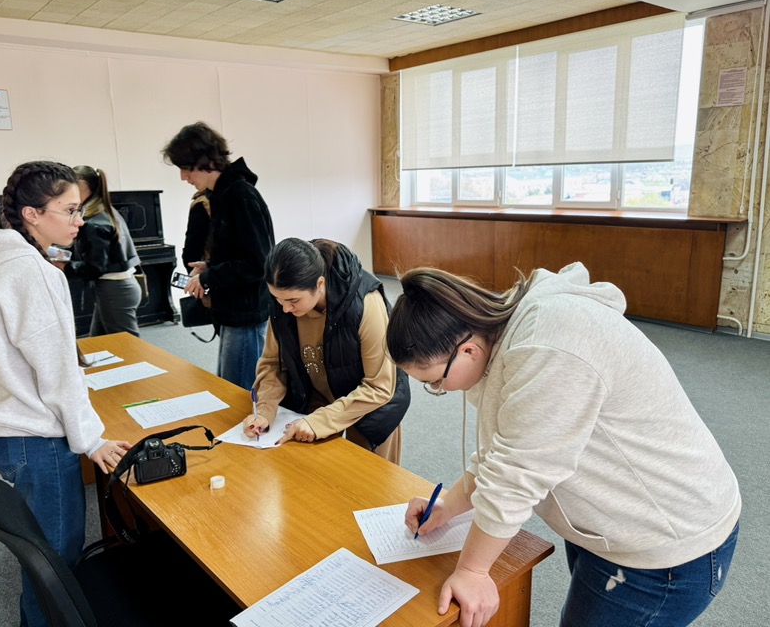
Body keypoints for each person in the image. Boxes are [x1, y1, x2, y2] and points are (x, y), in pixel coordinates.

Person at [385, 262, 741, 627]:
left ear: (469, 351)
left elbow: (518, 474)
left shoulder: (547, 348)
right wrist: (448, 506)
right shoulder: (503, 342)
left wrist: (473, 571)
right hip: (609, 525)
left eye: (435, 381)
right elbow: (505, 451)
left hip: (665, 544)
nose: (440, 390)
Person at [0, 161, 132, 627]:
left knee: (42, 558)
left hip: (6, 432)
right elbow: (58, 375)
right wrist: (92, 440)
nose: (80, 220)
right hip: (37, 439)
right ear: (33, 214)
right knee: (55, 566)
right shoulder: (32, 272)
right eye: (70, 210)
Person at [242, 238, 410, 463]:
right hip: (316, 397)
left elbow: (379, 387)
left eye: (293, 300)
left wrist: (319, 421)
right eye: (277, 299)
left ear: (320, 284)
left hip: (370, 405)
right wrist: (264, 411)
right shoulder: (284, 304)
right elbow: (274, 364)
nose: (285, 308)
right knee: (311, 475)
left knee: (368, 478)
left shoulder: (365, 303)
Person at [163, 122, 275, 390]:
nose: (183, 177)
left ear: (206, 162)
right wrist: (209, 265)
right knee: (230, 384)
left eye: (186, 168)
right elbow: (239, 252)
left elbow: (259, 263)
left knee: (238, 390)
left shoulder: (240, 196)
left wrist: (210, 275)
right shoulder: (222, 195)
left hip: (245, 310)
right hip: (233, 307)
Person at [61, 165, 142, 337]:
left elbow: (96, 267)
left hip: (115, 290)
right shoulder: (103, 210)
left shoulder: (94, 221)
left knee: (128, 346)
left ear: (82, 185)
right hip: (116, 288)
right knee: (99, 341)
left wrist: (65, 267)